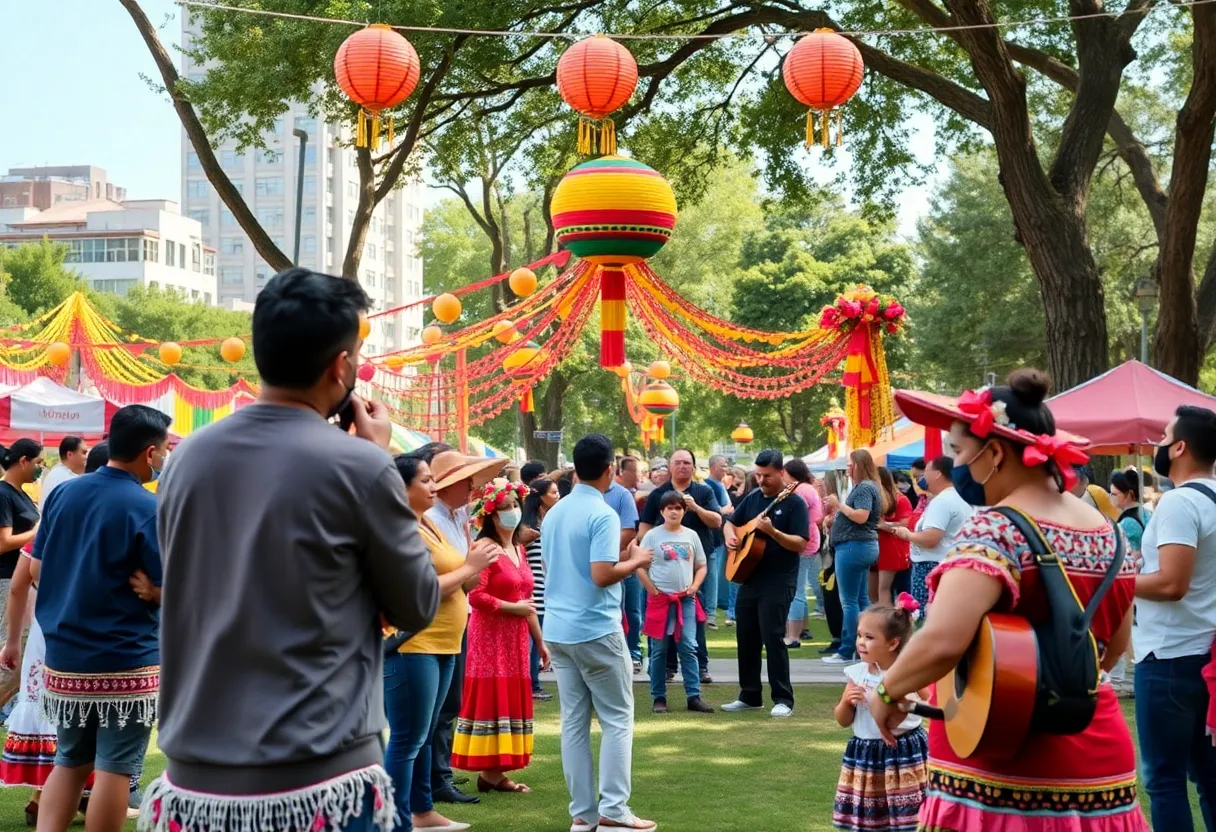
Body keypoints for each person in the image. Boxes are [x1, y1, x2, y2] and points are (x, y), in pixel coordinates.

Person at [149, 267, 440, 832]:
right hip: (322, 777)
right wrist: (376, 462)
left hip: (195, 775)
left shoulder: (187, 457)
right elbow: (416, 604)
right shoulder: (360, 465)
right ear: (342, 367)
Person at [870, 371, 1145, 831]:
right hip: (1100, 756)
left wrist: (887, 690)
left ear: (994, 453)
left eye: (959, 453)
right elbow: (1113, 649)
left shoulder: (998, 528)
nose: (959, 466)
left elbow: (942, 639)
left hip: (1005, 756)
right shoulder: (1112, 533)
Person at [30, 407, 168, 832]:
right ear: (149, 453)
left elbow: (35, 570)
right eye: (164, 449)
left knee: (69, 761)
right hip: (125, 659)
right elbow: (173, 588)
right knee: (115, 769)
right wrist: (156, 593)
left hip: (66, 657)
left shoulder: (62, 494)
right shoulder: (147, 507)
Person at [542, 434, 656, 832]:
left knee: (574, 722)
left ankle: (583, 813)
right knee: (617, 719)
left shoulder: (554, 511)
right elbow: (602, 574)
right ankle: (613, 810)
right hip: (593, 628)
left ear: (575, 468)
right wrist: (637, 559)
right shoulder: (604, 513)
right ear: (610, 469)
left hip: (558, 627)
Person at [382, 453, 497, 832]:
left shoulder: (427, 525)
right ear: (402, 488)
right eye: (426, 480)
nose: (434, 487)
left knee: (425, 734)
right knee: (407, 738)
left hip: (445, 642)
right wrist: (469, 567)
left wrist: (473, 563)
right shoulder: (399, 529)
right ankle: (393, 818)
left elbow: (462, 582)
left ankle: (422, 810)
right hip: (416, 644)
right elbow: (421, 590)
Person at [1133, 404, 1216, 830]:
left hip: (1169, 657)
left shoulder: (1180, 502)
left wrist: (1116, 582)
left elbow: (1170, 584)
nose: (1157, 446)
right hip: (1205, 655)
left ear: (1180, 447)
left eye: (1163, 437)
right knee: (1209, 778)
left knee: (1164, 781)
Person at [425, 450, 508, 807]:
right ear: (445, 486)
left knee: (448, 705)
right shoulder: (430, 521)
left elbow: (469, 580)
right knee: (432, 712)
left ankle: (436, 774)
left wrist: (476, 566)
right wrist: (471, 567)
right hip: (433, 629)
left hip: (456, 623)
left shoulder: (458, 518)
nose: (473, 488)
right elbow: (441, 579)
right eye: (466, 482)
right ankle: (433, 781)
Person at [452, 480, 545, 794]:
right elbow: (476, 596)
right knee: (494, 698)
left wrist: (541, 642)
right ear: (491, 514)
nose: (513, 512)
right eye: (505, 507)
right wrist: (512, 608)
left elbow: (527, 603)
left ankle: (494, 774)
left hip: (517, 638)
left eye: (515, 505)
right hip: (490, 636)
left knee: (510, 697)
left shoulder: (519, 548)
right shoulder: (484, 548)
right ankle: (489, 772)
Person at [721, 448, 809, 718]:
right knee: (745, 636)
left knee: (773, 637)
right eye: (758, 475)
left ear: (781, 473)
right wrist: (730, 537)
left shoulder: (795, 503)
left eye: (767, 475)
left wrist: (773, 531)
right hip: (749, 577)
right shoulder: (753, 497)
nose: (761, 480)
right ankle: (749, 695)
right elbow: (731, 523)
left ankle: (783, 698)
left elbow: (800, 543)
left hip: (779, 580)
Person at [831, 597, 928, 832]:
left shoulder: (907, 672)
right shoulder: (857, 674)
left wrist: (898, 698)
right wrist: (846, 702)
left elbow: (929, 699)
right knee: (872, 817)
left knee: (907, 816)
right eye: (859, 635)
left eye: (869, 637)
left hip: (903, 750)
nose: (861, 642)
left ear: (893, 643)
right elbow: (843, 721)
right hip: (867, 753)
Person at [638, 449, 721, 685]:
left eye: (687, 463)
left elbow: (717, 521)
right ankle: (665, 667)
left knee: (696, 616)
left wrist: (695, 508)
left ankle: (700, 666)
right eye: (678, 462)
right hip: (661, 565)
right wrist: (643, 553)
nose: (682, 466)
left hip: (696, 564)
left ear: (694, 467)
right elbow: (643, 527)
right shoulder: (658, 495)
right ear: (669, 466)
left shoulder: (703, 491)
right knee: (662, 618)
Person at [637, 490, 713, 714]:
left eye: (678, 508)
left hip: (686, 600)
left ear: (684, 511)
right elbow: (639, 565)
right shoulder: (652, 536)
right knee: (659, 650)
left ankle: (693, 696)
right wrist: (652, 589)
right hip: (660, 601)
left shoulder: (691, 535)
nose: (673, 511)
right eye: (669, 508)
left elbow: (702, 565)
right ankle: (658, 697)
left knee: (688, 647)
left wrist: (694, 587)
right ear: (661, 511)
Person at [823, 450, 883, 665]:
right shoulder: (868, 486)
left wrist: (839, 505)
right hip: (861, 546)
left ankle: (847, 649)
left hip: (853, 548)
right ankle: (865, 647)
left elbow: (861, 516)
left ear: (859, 465)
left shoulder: (865, 487)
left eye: (850, 465)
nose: (848, 469)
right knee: (860, 599)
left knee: (849, 601)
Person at [892, 456, 972, 614]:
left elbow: (930, 538)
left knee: (923, 616)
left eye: (925, 472)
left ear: (938, 474)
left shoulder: (942, 501)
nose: (921, 479)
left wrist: (907, 535)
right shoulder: (957, 497)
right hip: (946, 563)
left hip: (931, 566)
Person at [521, 477, 559, 702]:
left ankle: (533, 683)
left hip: (548, 589)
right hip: (534, 588)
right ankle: (532, 685)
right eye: (553, 493)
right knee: (533, 642)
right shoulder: (529, 524)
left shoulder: (551, 520)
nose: (558, 496)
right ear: (541, 498)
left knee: (539, 638)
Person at [782, 459, 823, 648]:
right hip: (811, 539)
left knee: (796, 590)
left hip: (802, 541)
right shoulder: (809, 488)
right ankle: (803, 628)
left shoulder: (800, 490)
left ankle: (793, 635)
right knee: (801, 588)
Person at [873, 467, 911, 607]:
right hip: (880, 546)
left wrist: (885, 525)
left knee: (884, 588)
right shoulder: (881, 499)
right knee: (876, 590)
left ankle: (886, 622)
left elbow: (905, 524)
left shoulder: (901, 499)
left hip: (893, 547)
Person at [703, 455, 732, 630]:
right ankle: (709, 614)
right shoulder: (708, 487)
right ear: (712, 467)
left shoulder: (721, 486)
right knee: (711, 575)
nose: (725, 469)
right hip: (711, 537)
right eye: (723, 466)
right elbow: (720, 510)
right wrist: (725, 510)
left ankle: (711, 612)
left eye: (726, 466)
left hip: (721, 537)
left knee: (716, 575)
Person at [37, 438, 87, 513]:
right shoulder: (64, 478)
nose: (86, 457)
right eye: (84, 453)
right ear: (70, 454)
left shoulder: (58, 473)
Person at [1109, 469, 1151, 555]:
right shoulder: (1146, 512)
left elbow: (1129, 554)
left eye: (1114, 494)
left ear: (1129, 494)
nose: (1111, 497)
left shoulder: (1127, 522)